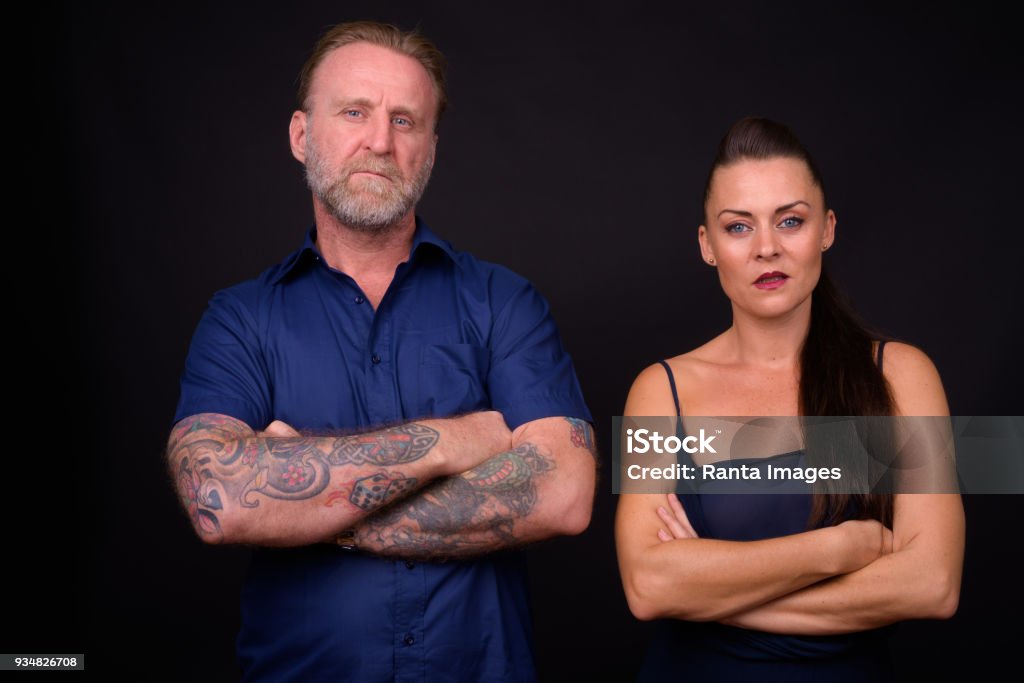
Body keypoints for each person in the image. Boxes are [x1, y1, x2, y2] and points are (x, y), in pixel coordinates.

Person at [166, 21, 596, 682]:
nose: (380, 141)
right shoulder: (240, 319)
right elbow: (216, 494)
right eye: (354, 112)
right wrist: (449, 443)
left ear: (430, 149)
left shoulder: (503, 302)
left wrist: (308, 505)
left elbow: (564, 491)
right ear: (302, 135)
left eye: (405, 120)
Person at [615, 117, 965, 681]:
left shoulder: (902, 375)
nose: (768, 248)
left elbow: (933, 584)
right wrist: (836, 550)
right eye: (738, 228)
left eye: (791, 221)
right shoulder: (659, 390)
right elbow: (649, 587)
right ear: (707, 245)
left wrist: (713, 593)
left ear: (826, 229)